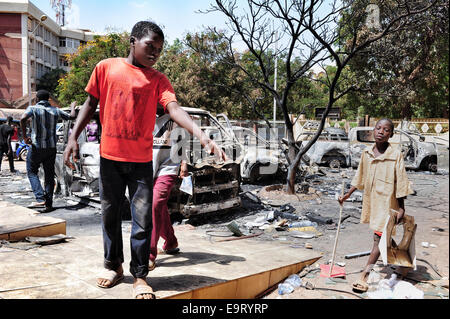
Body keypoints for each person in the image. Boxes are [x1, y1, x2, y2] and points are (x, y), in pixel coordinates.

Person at [63, 20, 227, 299]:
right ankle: (113, 266)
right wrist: (71, 140)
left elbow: (174, 109)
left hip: (141, 162)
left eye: (159, 50)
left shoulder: (158, 80)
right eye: (150, 46)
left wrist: (202, 135)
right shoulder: (106, 67)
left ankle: (140, 276)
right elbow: (90, 105)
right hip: (110, 159)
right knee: (110, 216)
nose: (154, 53)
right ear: (133, 41)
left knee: (142, 221)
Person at [338, 118, 414, 293]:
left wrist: (402, 207)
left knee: (379, 239)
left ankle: (364, 275)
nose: (381, 131)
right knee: (383, 236)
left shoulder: (396, 155)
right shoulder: (367, 153)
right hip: (373, 202)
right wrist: (347, 195)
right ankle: (404, 262)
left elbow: (401, 181)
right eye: (378, 128)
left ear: (391, 134)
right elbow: (360, 177)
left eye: (386, 129)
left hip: (388, 204)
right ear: (373, 130)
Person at [20, 91, 76, 212]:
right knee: (49, 175)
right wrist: (72, 107)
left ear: (37, 98)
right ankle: (48, 204)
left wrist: (25, 137)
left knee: (32, 172)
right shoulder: (55, 110)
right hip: (51, 148)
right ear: (49, 99)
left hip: (36, 147)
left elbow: (23, 118)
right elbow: (71, 117)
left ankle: (40, 198)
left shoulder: (33, 108)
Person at [149, 110, 187, 270]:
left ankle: (149, 254)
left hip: (168, 167)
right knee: (159, 207)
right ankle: (170, 241)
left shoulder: (176, 115)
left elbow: (183, 140)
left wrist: (184, 163)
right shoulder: (144, 113)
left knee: (155, 205)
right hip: (147, 166)